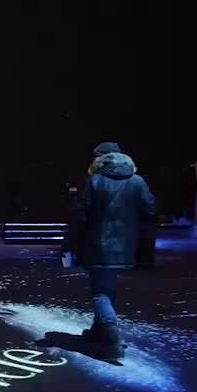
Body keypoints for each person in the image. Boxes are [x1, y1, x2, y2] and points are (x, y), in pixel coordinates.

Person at [61, 142, 157, 360]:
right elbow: (151, 210)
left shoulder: (94, 181)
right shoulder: (138, 182)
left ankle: (112, 341)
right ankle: (98, 333)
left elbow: (80, 216)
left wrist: (70, 244)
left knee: (101, 293)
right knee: (108, 290)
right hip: (127, 248)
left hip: (98, 246)